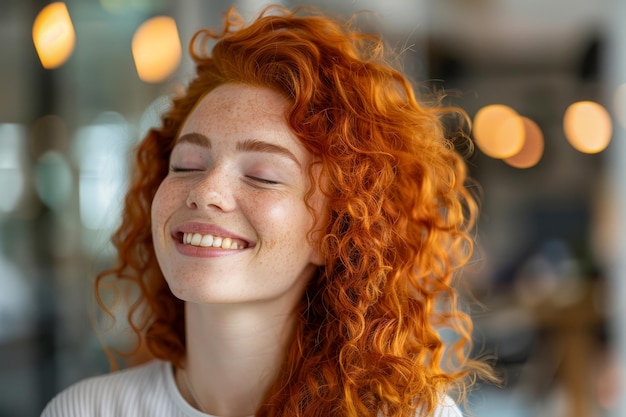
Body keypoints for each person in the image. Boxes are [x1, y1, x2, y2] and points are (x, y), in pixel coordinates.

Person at [42, 4, 494, 417]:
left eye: (262, 174)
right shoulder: (85, 410)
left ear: (334, 230)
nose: (205, 191)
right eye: (186, 164)